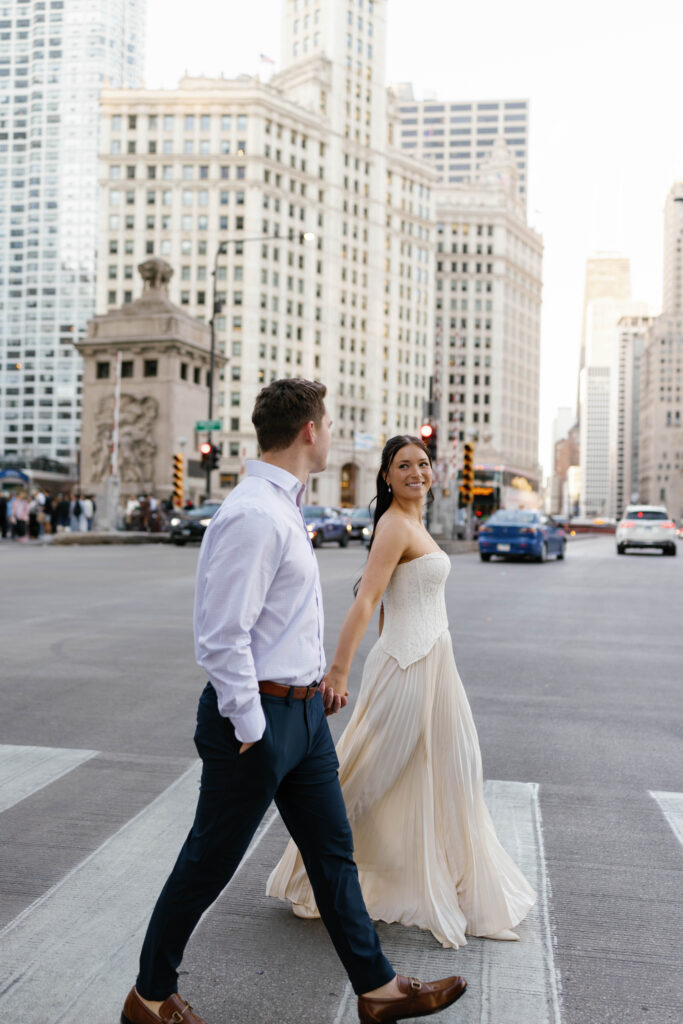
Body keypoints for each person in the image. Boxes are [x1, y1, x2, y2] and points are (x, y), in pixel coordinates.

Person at [120, 384, 466, 1024]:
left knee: (334, 857)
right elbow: (222, 635)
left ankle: (378, 989)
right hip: (259, 720)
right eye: (329, 423)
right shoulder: (255, 514)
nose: (331, 433)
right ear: (310, 431)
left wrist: (313, 691)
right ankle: (149, 996)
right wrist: (253, 726)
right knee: (209, 861)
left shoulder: (281, 508)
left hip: (302, 717)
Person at [267, 434, 536, 949]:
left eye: (423, 463)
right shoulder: (393, 526)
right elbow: (366, 600)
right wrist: (340, 672)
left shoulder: (415, 524)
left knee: (454, 771)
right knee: (369, 773)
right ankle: (308, 877)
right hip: (408, 665)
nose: (417, 471)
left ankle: (467, 892)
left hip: (435, 662)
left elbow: (395, 598)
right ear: (387, 477)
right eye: (404, 465)